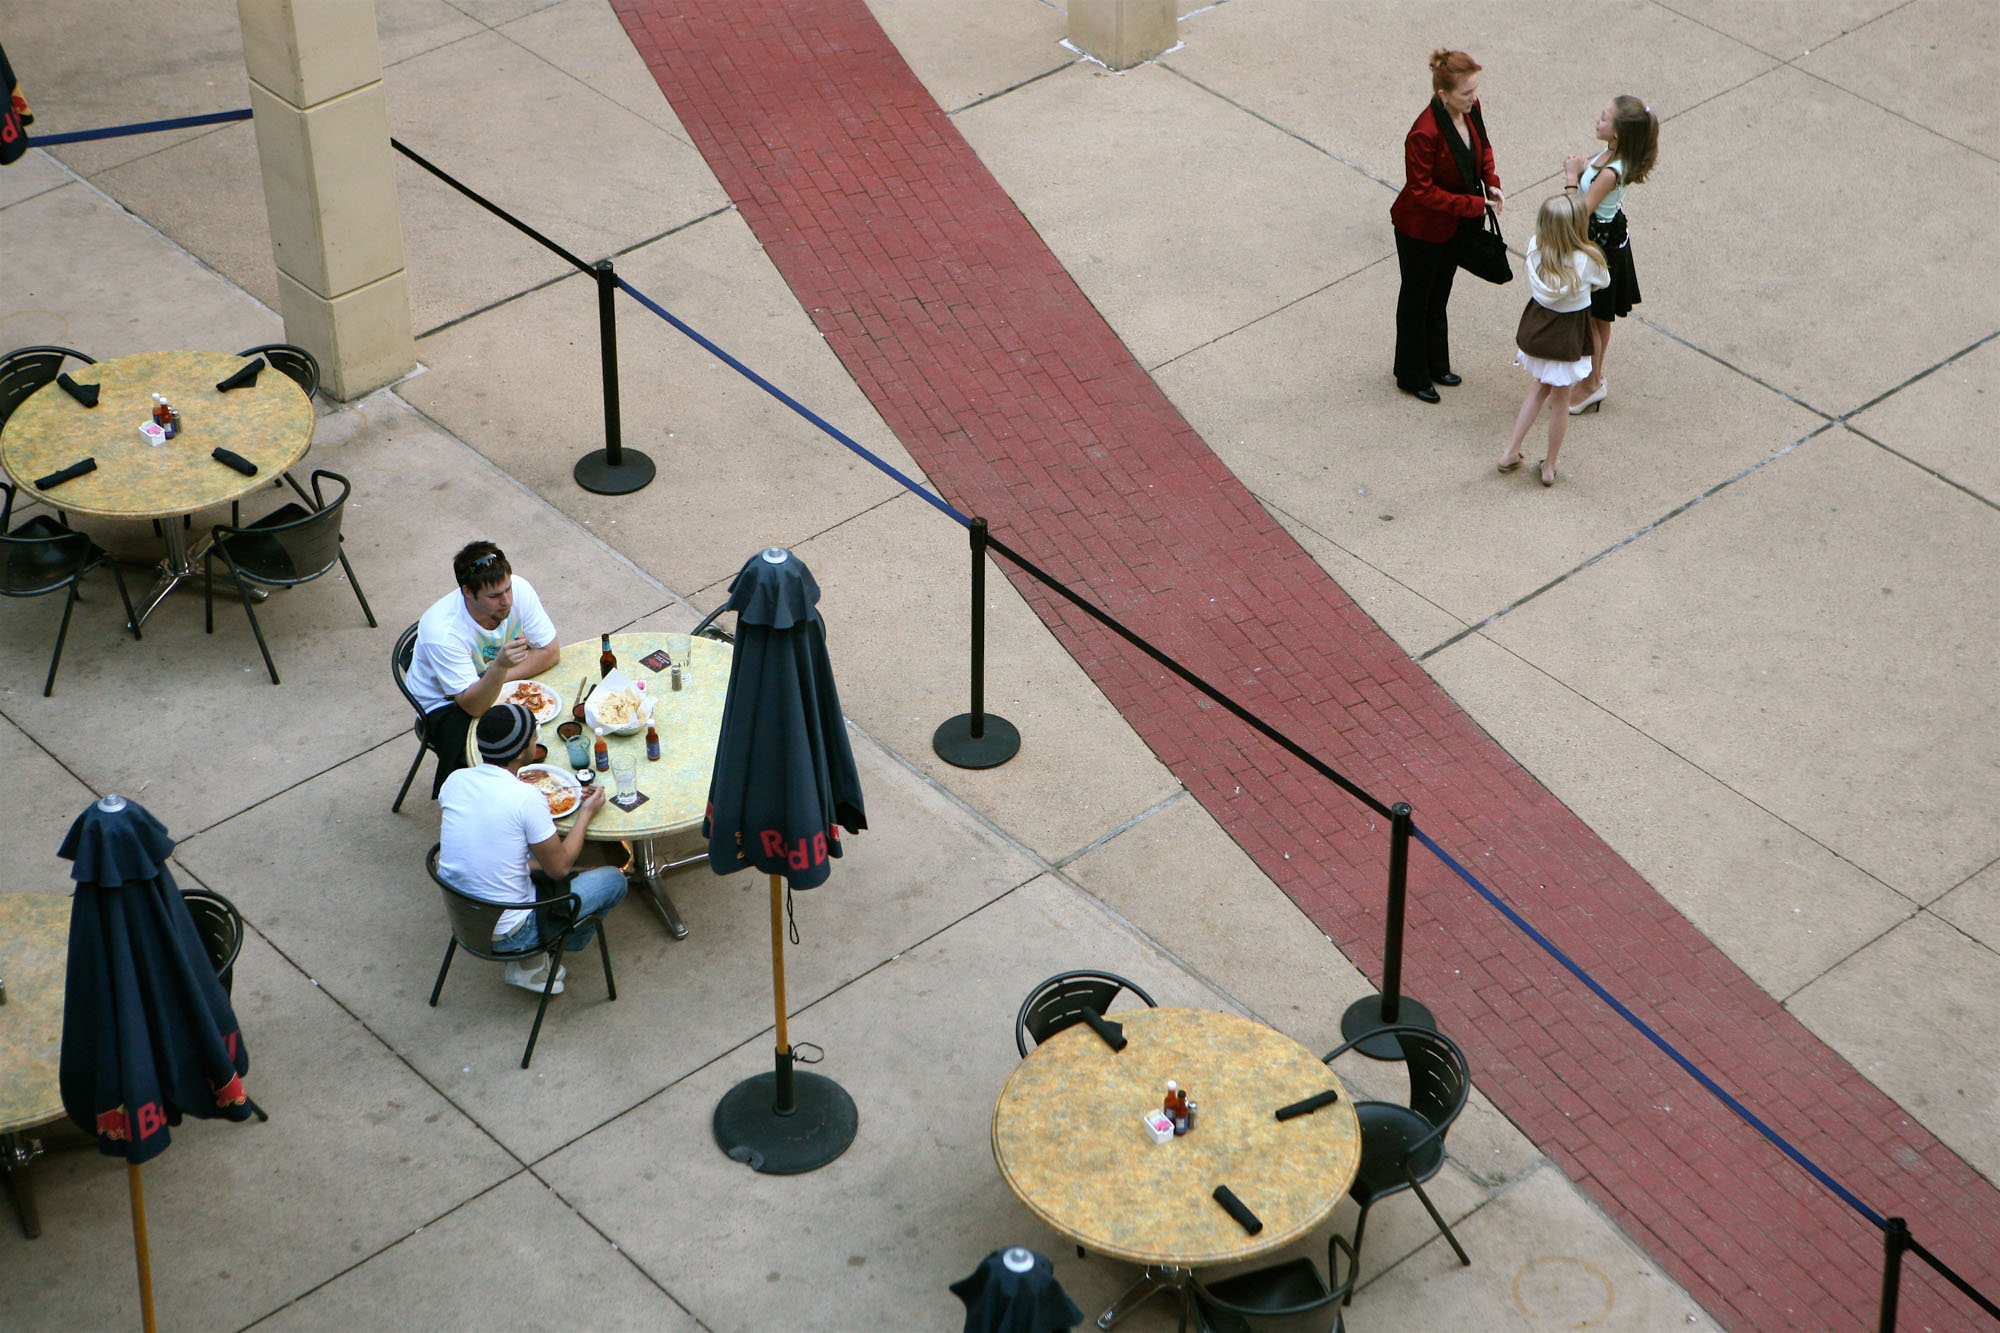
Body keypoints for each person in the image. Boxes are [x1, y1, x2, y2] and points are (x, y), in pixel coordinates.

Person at [437, 703, 626, 993]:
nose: (536, 741)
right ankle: (544, 955)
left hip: (464, 918)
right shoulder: (525, 797)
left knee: (542, 855)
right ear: (519, 752)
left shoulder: (455, 781)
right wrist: (586, 813)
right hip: (513, 933)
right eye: (533, 738)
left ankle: (538, 955)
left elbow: (493, 851)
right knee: (614, 879)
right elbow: (559, 867)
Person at [1390, 47, 1504, 404]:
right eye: (1465, 93)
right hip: (1419, 229)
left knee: (1439, 295)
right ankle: (1411, 373)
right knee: (1416, 299)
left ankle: (1436, 364)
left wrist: (1491, 179)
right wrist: (1473, 203)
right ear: (1443, 95)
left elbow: (1483, 147)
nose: (1474, 98)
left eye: (1474, 90)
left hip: (1452, 223)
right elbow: (1422, 191)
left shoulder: (1472, 110)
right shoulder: (1424, 134)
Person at [405, 542, 560, 796]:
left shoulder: (518, 590)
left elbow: (551, 653)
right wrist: (498, 668)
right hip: (445, 705)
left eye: (508, 589)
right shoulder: (443, 632)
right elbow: (473, 705)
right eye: (494, 596)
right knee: (508, 754)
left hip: (489, 679)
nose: (506, 601)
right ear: (467, 592)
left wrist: (497, 677)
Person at [1498, 195, 1608, 487]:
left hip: (1538, 327)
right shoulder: (1587, 258)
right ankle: (1549, 467)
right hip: (1569, 334)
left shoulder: (1536, 247)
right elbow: (1603, 282)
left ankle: (1510, 452)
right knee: (1560, 400)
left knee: (1539, 388)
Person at [1562, 96, 1659, 414]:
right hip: (1609, 237)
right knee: (1600, 318)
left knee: (1593, 317)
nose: (1597, 119)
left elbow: (1581, 210)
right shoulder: (1615, 154)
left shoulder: (1610, 172)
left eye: (1604, 118)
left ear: (1617, 133)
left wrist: (1572, 177)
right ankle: (1595, 377)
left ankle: (1591, 384)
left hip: (1599, 246)